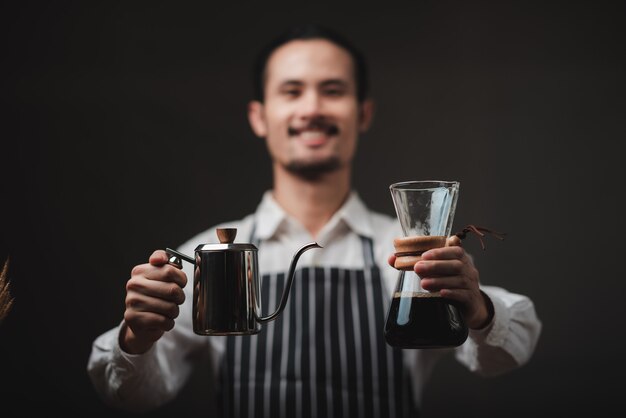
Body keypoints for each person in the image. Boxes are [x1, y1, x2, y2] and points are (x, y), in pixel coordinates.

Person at [87, 23, 542, 417]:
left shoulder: (406, 251)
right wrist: (136, 336)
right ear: (259, 117)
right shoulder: (211, 254)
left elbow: (514, 346)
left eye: (333, 90)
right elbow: (126, 394)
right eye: (291, 91)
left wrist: (477, 308)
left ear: (362, 113)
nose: (312, 109)